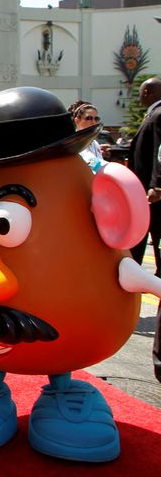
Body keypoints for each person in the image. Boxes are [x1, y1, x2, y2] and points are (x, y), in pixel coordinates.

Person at [128, 76, 161, 383]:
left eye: (142, 91)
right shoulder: (155, 113)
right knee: (132, 255)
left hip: (153, 202)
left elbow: (159, 155)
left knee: (135, 256)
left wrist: (155, 185)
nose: (139, 95)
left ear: (150, 91)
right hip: (145, 201)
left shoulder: (159, 114)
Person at [68, 100, 104, 172]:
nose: (93, 122)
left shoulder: (94, 143)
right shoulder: (73, 142)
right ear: (77, 120)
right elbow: (95, 165)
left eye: (96, 119)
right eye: (89, 118)